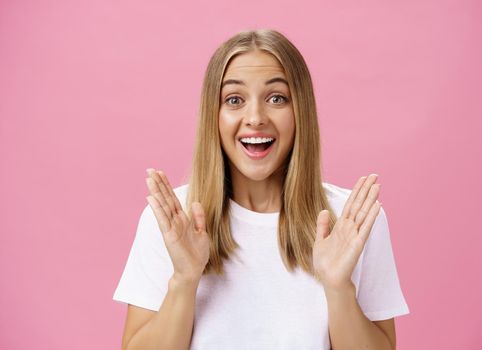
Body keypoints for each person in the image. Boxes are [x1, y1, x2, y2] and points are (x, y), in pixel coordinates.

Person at [113, 28, 409, 350]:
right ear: (214, 115)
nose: (255, 118)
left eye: (277, 98)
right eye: (234, 100)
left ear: (301, 113)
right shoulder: (172, 222)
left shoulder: (353, 222)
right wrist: (183, 281)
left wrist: (339, 288)